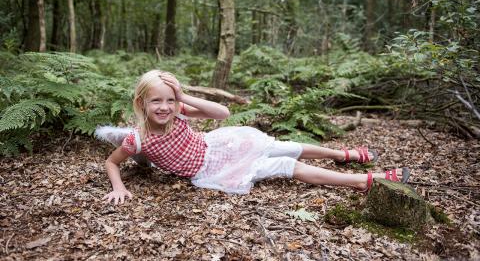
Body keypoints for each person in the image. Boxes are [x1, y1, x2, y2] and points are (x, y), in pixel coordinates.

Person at [96, 70, 410, 205]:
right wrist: (119, 187)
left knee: (284, 146)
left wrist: (183, 95)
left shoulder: (179, 111)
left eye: (169, 100)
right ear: (142, 104)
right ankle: (362, 181)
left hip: (219, 145)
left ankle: (344, 156)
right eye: (156, 101)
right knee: (285, 165)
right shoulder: (138, 139)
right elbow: (112, 163)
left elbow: (222, 114)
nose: (164, 107)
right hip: (212, 169)